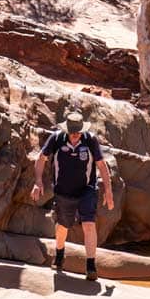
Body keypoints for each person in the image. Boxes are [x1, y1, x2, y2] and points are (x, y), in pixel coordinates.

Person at [31, 110, 114, 282]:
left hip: (87, 189)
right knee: (63, 225)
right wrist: (38, 181)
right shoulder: (56, 138)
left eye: (78, 133)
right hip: (63, 191)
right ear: (67, 131)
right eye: (72, 133)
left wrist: (108, 190)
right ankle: (60, 254)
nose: (75, 136)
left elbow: (101, 164)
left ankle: (91, 266)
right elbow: (41, 158)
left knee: (89, 224)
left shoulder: (90, 140)